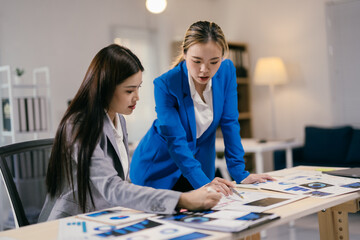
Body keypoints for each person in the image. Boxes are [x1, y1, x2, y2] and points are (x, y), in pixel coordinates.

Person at [38, 44, 223, 222]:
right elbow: (111, 187)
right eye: (129, 90)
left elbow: (123, 182)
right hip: (72, 223)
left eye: (138, 88)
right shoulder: (78, 125)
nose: (137, 97)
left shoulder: (119, 121)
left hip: (106, 217)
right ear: (106, 87)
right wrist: (181, 199)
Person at [130, 21, 275, 193]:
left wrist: (240, 174)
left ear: (222, 57)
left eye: (214, 61)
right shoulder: (166, 84)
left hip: (199, 167)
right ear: (184, 53)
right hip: (160, 168)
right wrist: (204, 183)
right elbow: (176, 140)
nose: (204, 70)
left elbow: (230, 123)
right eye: (196, 61)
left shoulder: (227, 71)